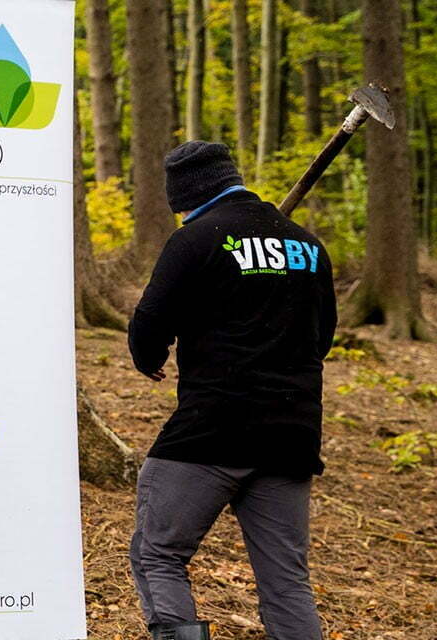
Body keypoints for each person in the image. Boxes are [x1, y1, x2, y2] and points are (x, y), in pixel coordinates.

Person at [127, 141, 336, 640]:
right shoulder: (309, 246)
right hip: (291, 436)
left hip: (211, 432)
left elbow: (149, 324)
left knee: (158, 553)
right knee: (287, 581)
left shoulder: (194, 241)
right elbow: (322, 338)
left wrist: (149, 359)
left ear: (184, 196)